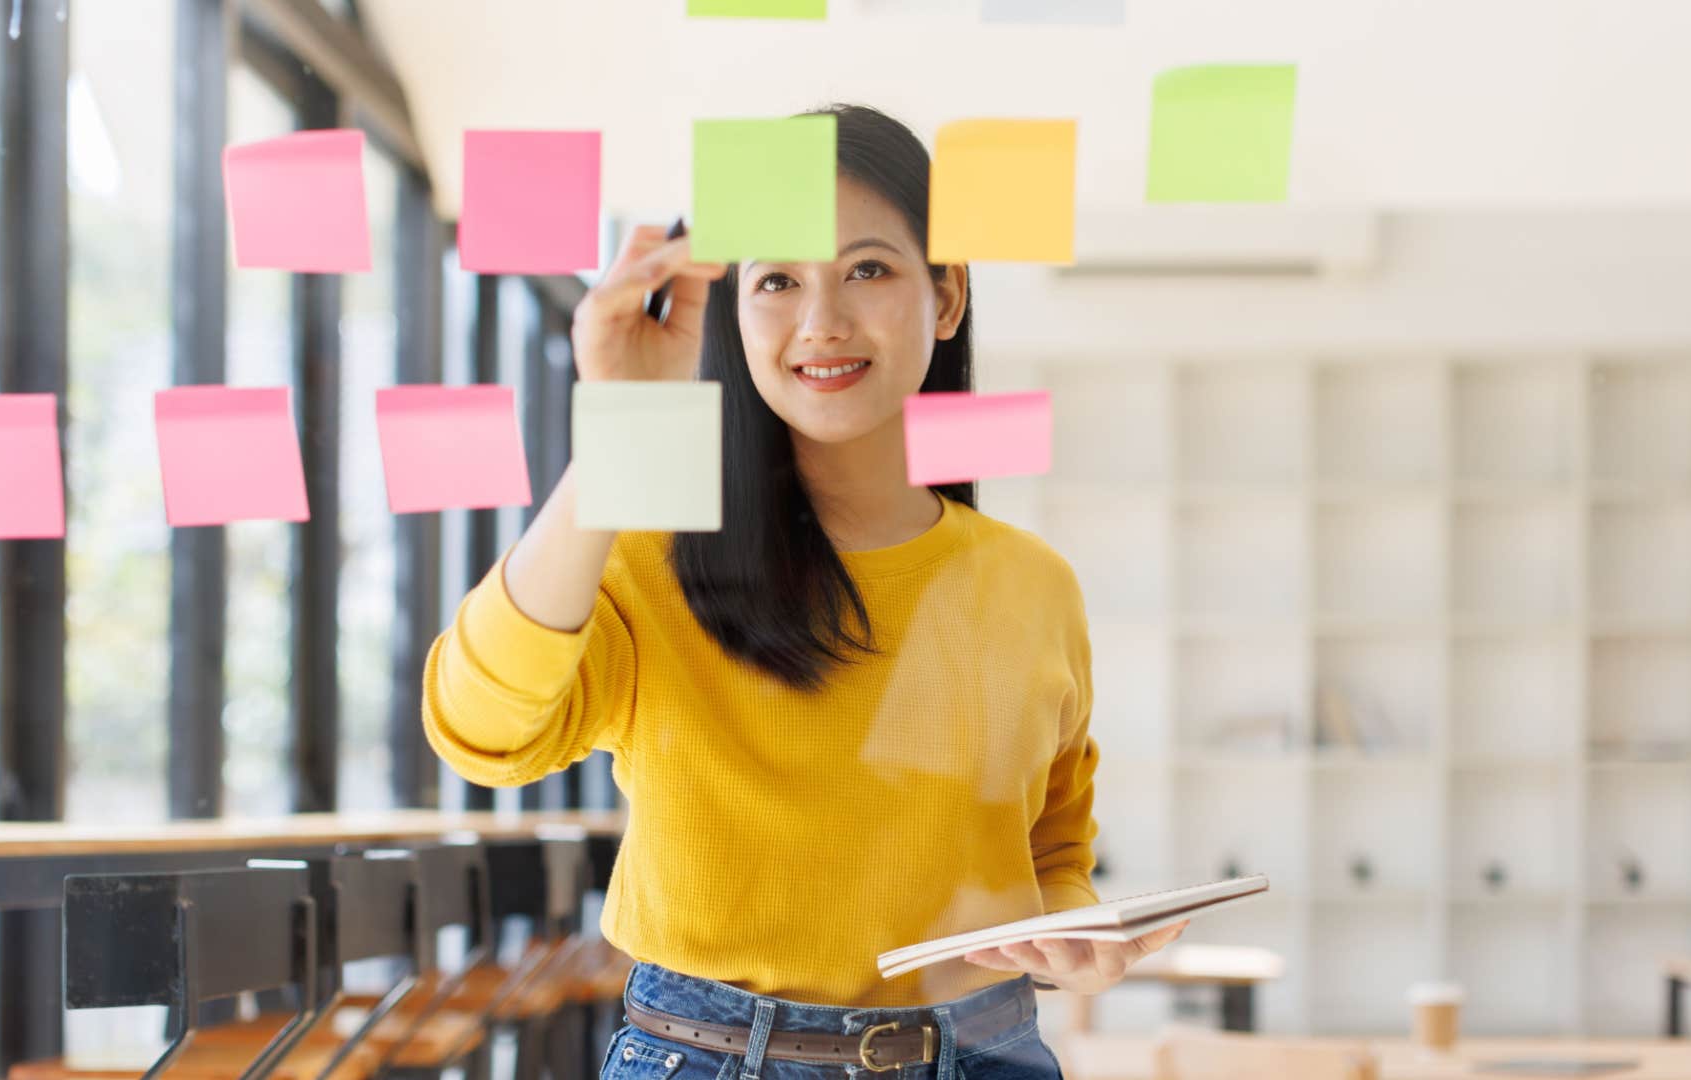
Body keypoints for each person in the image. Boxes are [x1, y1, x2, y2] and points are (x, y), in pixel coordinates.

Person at [423, 103, 1185, 1080]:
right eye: (776, 279)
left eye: (868, 269)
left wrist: (1075, 933)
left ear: (945, 295)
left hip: (987, 1054)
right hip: (707, 1057)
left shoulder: (1031, 585)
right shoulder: (650, 558)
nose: (822, 321)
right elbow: (480, 732)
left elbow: (1051, 853)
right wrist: (619, 437)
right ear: (730, 306)